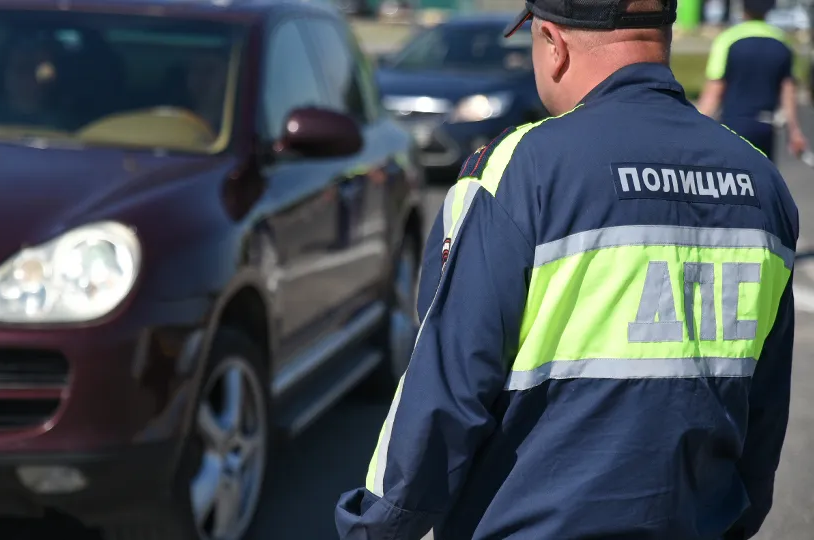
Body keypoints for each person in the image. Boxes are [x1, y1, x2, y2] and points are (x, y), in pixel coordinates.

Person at [334, 0, 798, 537]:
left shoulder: (517, 171)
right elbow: (762, 418)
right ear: (663, 35)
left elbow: (445, 390)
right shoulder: (762, 184)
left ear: (552, 45)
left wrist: (372, 528)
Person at [697, 0, 808, 161]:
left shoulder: (728, 39)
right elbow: (788, 91)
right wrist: (794, 131)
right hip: (765, 126)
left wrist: (698, 128)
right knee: (762, 181)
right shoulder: (782, 41)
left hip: (733, 124)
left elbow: (714, 91)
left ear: (742, 7)